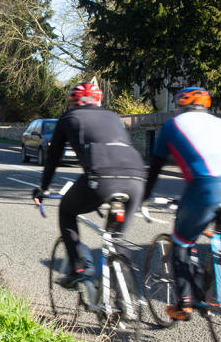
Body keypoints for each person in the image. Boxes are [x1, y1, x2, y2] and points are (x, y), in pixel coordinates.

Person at [144, 87, 221, 321]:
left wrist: (144, 195)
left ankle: (184, 303)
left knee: (181, 243)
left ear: (180, 105)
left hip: (206, 188)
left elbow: (156, 166)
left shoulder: (173, 126)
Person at [32, 81, 146, 288]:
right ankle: (125, 298)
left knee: (66, 211)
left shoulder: (69, 117)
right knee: (115, 237)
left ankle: (78, 268)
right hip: (136, 179)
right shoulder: (112, 116)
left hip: (101, 179)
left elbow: (53, 158)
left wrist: (43, 189)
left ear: (72, 102)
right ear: (98, 100)